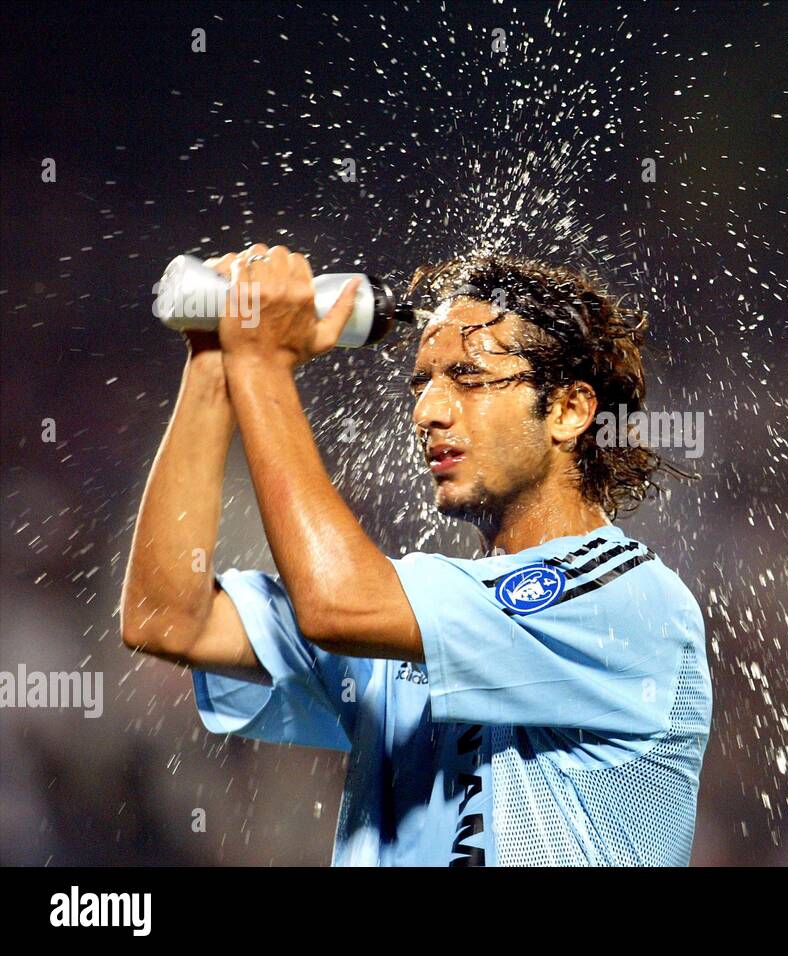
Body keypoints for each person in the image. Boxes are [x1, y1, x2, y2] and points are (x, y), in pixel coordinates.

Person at [120, 244, 711, 865]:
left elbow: (336, 605)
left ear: (569, 410)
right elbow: (167, 618)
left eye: (468, 377)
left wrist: (261, 366)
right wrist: (216, 362)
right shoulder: (415, 620)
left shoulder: (630, 604)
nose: (426, 411)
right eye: (422, 381)